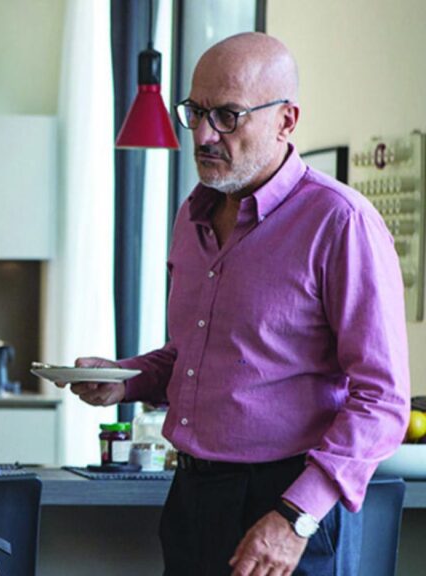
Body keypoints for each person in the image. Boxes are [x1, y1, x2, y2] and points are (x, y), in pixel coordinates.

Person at [64, 33, 409, 576]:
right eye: (196, 112)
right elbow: (199, 354)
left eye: (227, 115)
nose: (204, 134)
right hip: (192, 497)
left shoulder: (341, 222)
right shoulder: (192, 216)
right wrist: (125, 379)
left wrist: (296, 517)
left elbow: (382, 399)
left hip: (289, 504)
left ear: (286, 120)